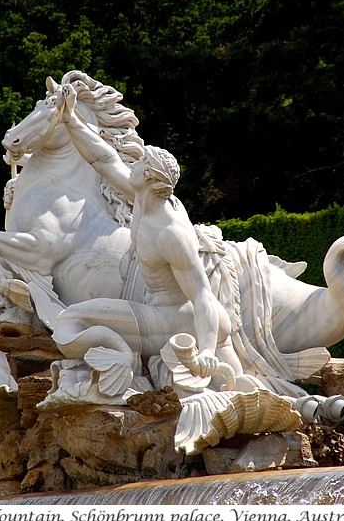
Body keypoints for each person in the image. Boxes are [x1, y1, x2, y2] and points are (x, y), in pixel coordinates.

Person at [50, 84, 244, 397]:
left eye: (141, 163)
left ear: (151, 178)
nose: (134, 163)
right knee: (238, 385)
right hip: (162, 311)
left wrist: (207, 351)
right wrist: (71, 119)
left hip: (175, 320)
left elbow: (203, 295)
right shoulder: (143, 196)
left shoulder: (169, 231)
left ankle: (123, 360)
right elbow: (103, 159)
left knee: (69, 322)